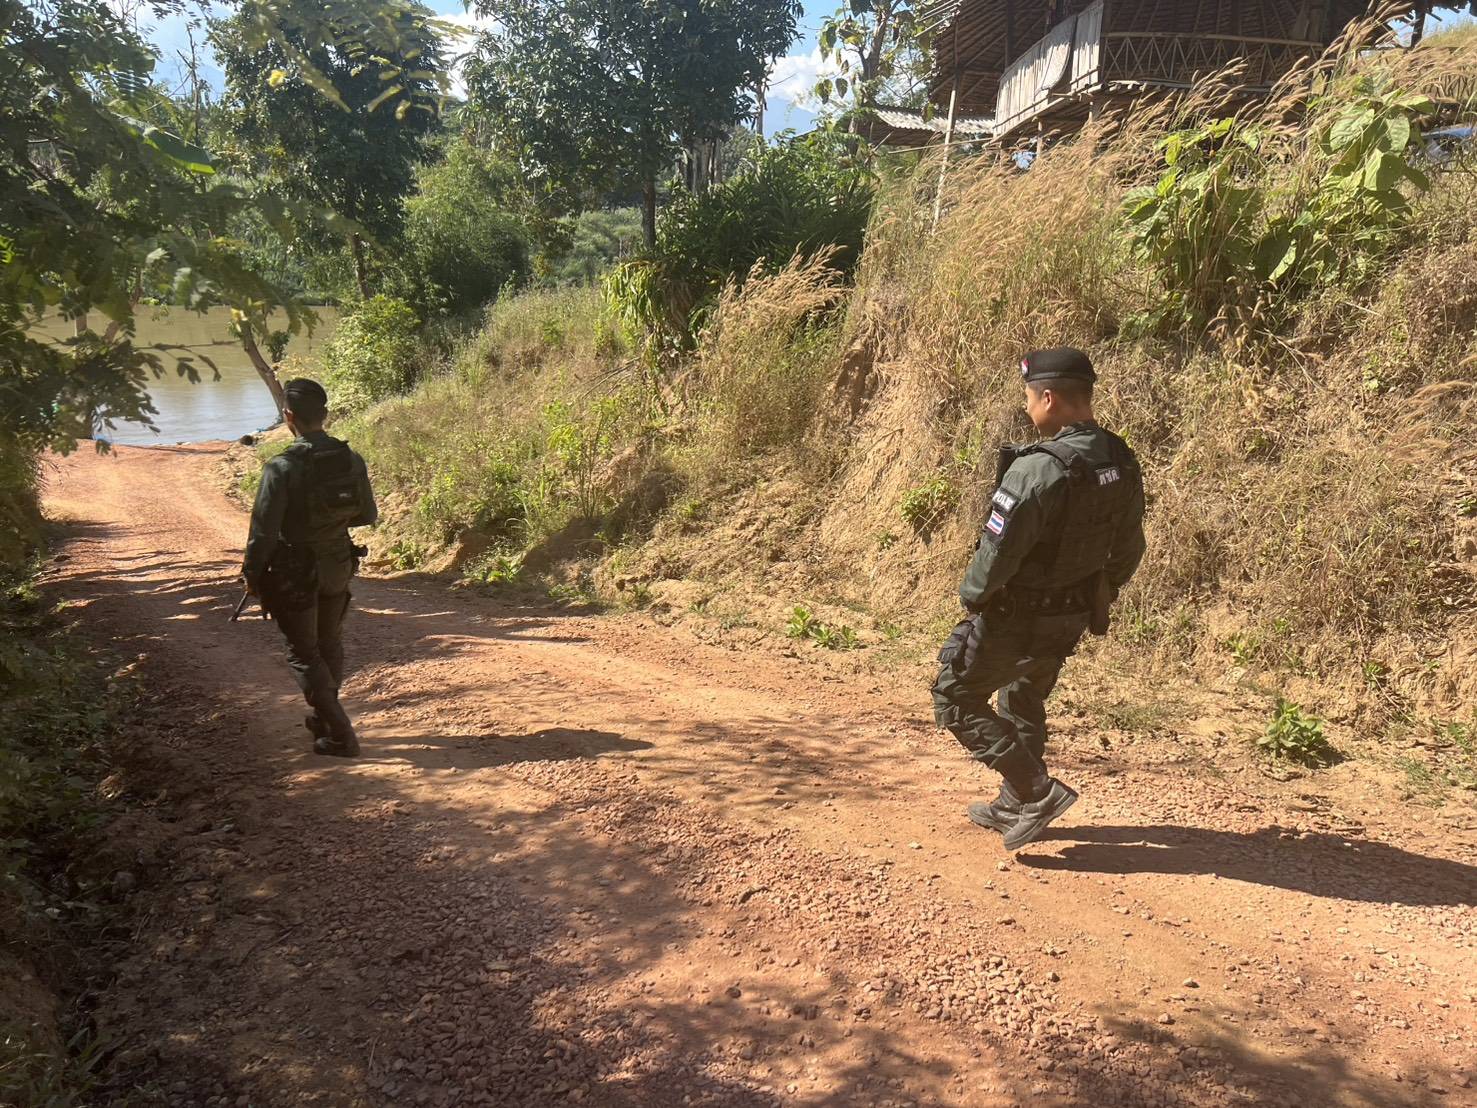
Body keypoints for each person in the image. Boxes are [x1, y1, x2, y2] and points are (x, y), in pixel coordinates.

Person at [931, 348, 1146, 850]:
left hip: (1020, 614)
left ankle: (1036, 791)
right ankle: (1013, 801)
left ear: (1048, 398)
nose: (1027, 407)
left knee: (954, 696)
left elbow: (997, 554)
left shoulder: (1037, 469)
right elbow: (1130, 546)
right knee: (1023, 695)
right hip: (1073, 613)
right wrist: (1098, 592)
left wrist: (973, 598)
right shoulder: (1119, 458)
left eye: (1028, 397)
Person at [242, 378, 377, 757]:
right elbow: (367, 515)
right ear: (325, 414)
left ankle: (341, 734)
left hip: (295, 571)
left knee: (303, 652)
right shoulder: (351, 459)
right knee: (329, 642)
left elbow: (264, 532)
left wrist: (252, 574)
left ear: (288, 417)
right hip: (338, 564)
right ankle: (324, 719)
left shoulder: (281, 467)